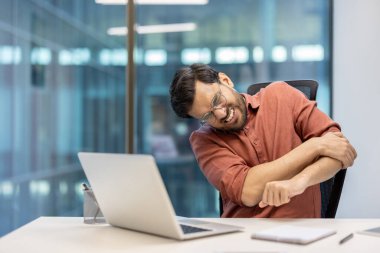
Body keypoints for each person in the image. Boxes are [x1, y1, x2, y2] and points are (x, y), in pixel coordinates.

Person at [169, 64, 357, 218]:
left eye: (217, 100)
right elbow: (248, 191)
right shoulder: (204, 140)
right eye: (207, 115)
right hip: (241, 239)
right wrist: (314, 146)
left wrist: (299, 182)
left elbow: (339, 149)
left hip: (302, 233)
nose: (220, 113)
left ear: (226, 81)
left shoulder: (281, 95)